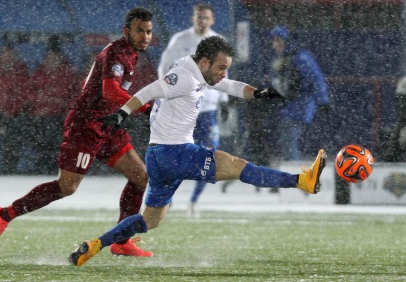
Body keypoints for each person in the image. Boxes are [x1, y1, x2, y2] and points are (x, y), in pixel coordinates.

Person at [68, 36, 327, 266]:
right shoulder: (182, 76)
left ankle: (95, 245)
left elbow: (231, 86)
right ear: (204, 62)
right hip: (176, 152)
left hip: (159, 156)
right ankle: (302, 181)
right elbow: (149, 90)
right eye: (221, 67)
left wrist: (257, 93)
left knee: (150, 220)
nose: (224, 73)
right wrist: (122, 113)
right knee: (237, 166)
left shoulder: (199, 71)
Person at [0, 7, 155, 257]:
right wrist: (145, 106)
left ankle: (122, 240)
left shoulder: (131, 54)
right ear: (126, 31)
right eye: (139, 31)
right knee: (67, 187)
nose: (145, 36)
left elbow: (106, 94)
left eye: (149, 32)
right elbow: (110, 92)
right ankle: (4, 214)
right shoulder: (116, 53)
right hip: (86, 126)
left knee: (140, 177)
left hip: (108, 124)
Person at [158, 3, 229, 218]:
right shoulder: (181, 40)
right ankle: (166, 200)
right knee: (177, 157)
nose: (202, 21)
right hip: (183, 110)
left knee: (210, 158)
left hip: (208, 111)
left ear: (212, 20)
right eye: (199, 17)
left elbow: (224, 73)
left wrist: (224, 101)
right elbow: (164, 67)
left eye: (206, 17)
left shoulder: (219, 43)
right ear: (193, 18)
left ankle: (194, 201)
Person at [19, 35, 80, 174]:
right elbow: (29, 93)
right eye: (49, 58)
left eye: (54, 58)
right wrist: (40, 102)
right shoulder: (38, 73)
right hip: (38, 115)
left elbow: (75, 96)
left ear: (60, 59)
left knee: (54, 130)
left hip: (59, 115)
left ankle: (52, 163)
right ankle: (44, 161)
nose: (51, 61)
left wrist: (63, 105)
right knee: (34, 128)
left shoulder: (68, 74)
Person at [268, 26, 330, 161]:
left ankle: (294, 169)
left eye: (278, 40)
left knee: (289, 139)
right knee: (287, 139)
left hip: (302, 104)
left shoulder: (301, 57)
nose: (275, 45)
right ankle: (293, 167)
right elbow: (277, 84)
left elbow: (316, 78)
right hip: (289, 105)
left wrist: (323, 100)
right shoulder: (281, 59)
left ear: (285, 41)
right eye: (273, 41)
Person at [0, 36, 31, 174]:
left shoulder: (21, 74)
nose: (7, 58)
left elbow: (24, 96)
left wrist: (11, 111)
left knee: (14, 132)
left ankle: (8, 166)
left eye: (11, 55)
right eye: (5, 55)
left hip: (14, 115)